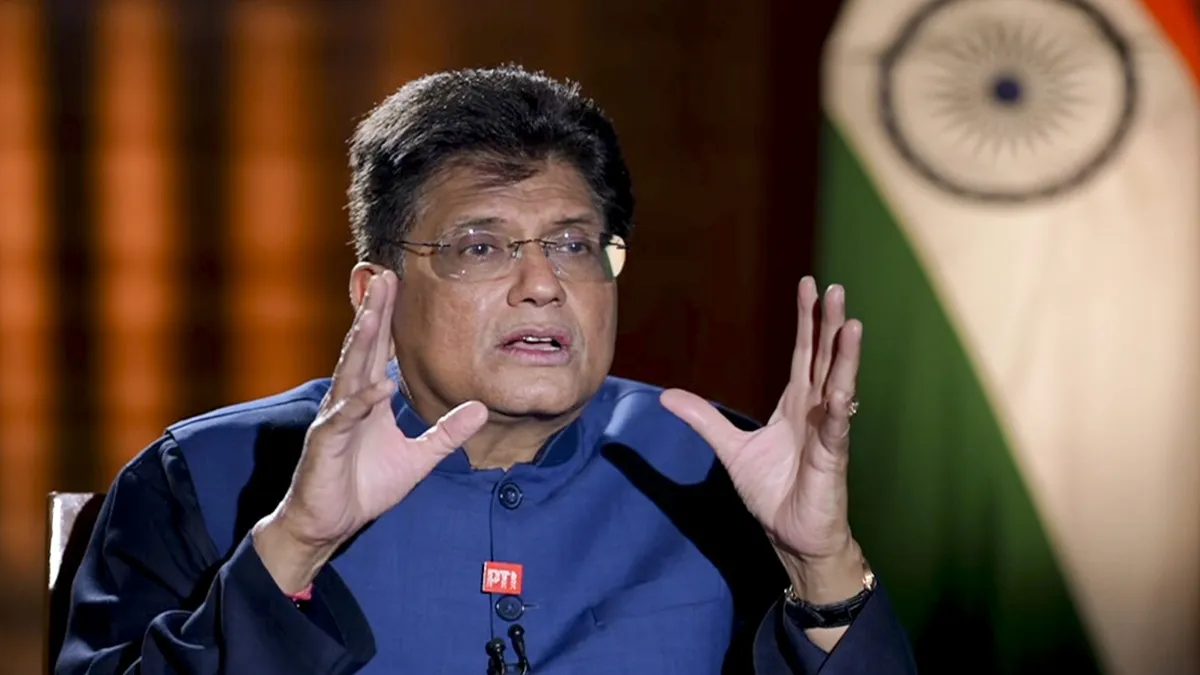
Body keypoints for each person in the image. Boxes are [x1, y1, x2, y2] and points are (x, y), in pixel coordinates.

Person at [55, 65, 916, 674]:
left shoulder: (718, 472)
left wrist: (823, 570)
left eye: (574, 245)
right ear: (375, 290)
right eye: (481, 246)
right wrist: (293, 548)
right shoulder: (207, 475)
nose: (543, 284)